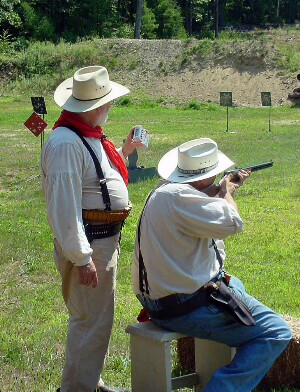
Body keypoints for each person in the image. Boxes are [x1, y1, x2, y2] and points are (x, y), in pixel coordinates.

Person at [131, 138, 292, 392]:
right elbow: (232, 222)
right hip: (183, 307)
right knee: (276, 332)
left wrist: (217, 191)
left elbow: (198, 205)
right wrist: (226, 191)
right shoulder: (180, 198)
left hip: (161, 302)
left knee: (235, 285)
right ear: (208, 175)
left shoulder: (166, 191)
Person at [42, 66, 145, 392]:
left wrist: (125, 153)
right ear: (95, 106)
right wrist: (82, 257)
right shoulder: (65, 144)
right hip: (90, 244)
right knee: (89, 322)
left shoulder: (86, 136)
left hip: (101, 242)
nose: (111, 107)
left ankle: (89, 382)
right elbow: (64, 208)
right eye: (108, 102)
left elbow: (98, 177)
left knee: (97, 321)